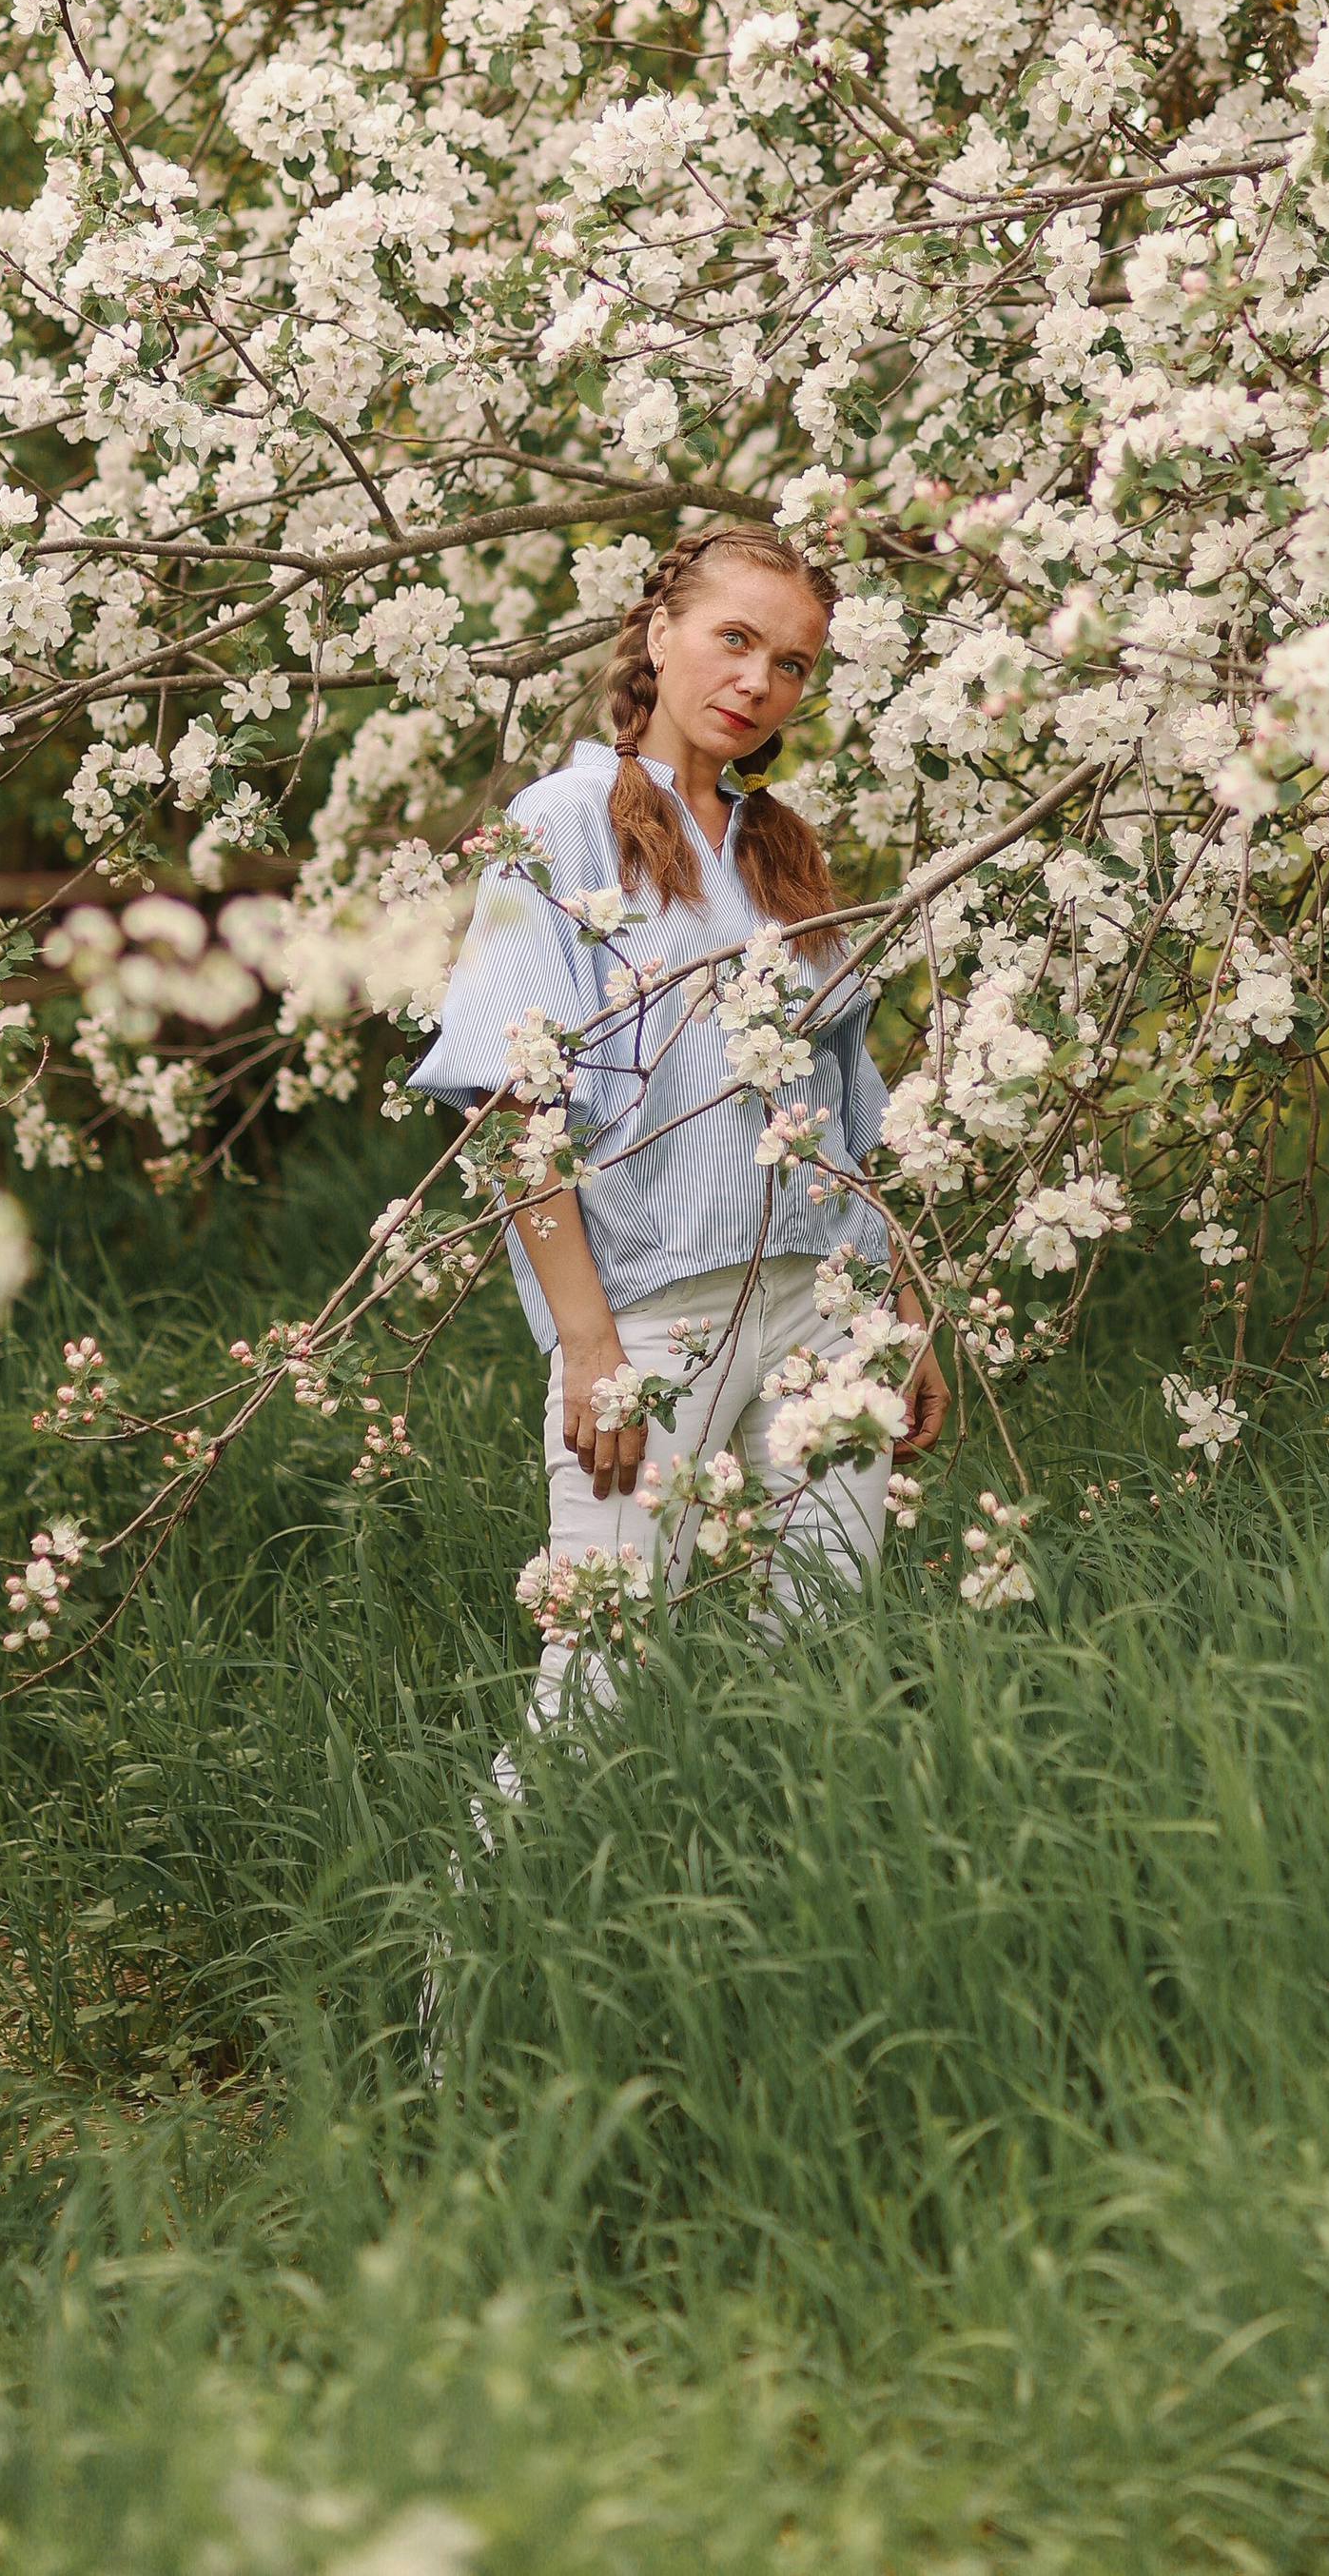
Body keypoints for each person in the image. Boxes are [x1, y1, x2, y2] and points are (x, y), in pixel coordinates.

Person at [411, 526, 948, 1746]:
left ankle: (773, 1906)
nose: (760, 682)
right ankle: (478, 1934)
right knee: (596, 1670)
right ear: (660, 636)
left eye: (795, 664)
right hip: (654, 1309)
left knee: (823, 1648)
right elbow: (509, 1095)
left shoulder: (784, 853)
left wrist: (897, 1312)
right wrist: (588, 1339)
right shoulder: (560, 824)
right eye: (736, 640)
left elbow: (843, 1113)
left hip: (827, 1298)